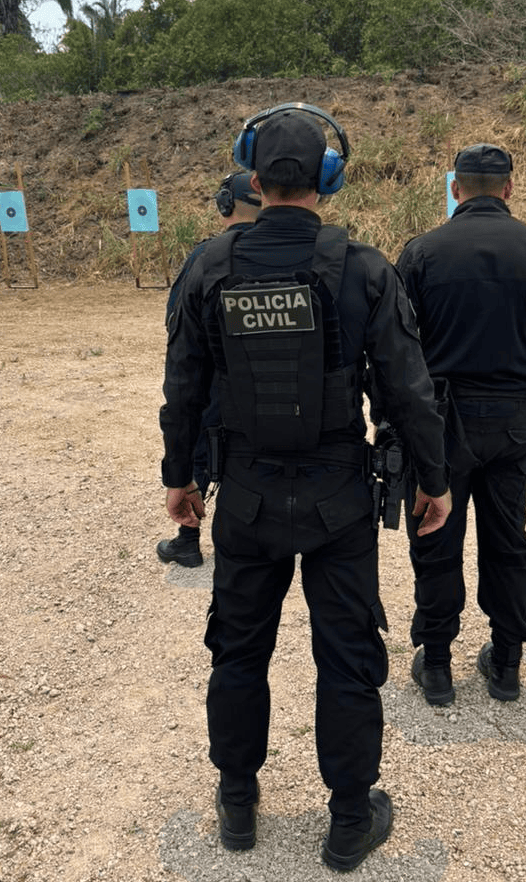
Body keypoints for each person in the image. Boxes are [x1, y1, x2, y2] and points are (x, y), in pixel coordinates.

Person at [159, 103, 451, 871]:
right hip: (337, 500)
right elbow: (409, 389)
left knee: (238, 653)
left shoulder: (209, 265)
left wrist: (178, 477)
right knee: (348, 658)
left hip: (247, 496)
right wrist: (436, 481)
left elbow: (183, 383)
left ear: (252, 178)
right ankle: (350, 820)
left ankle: (237, 805)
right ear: (330, 178)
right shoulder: (363, 268)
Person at [396, 143, 526, 705]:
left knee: (435, 536)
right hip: (511, 422)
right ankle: (506, 663)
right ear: (509, 189)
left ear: (456, 189)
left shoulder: (422, 253)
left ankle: (436, 666)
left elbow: (398, 352)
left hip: (439, 424)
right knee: (508, 542)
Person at [156, 172, 262, 567]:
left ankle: (188, 538)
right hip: (266, 388)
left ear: (224, 205)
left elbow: (177, 322)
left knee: (200, 446)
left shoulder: (207, 257)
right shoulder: (287, 252)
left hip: (215, 384)